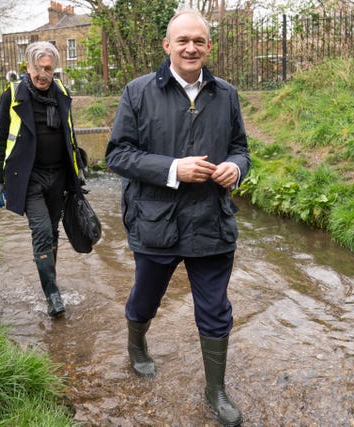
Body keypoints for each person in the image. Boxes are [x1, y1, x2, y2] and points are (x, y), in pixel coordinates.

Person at [105, 9, 250, 426]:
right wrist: (173, 170)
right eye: (182, 40)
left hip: (212, 220)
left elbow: (241, 148)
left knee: (215, 308)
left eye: (199, 41)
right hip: (156, 221)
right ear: (167, 45)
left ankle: (216, 390)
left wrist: (236, 169)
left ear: (208, 47)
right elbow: (117, 154)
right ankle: (137, 346)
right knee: (145, 298)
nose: (191, 48)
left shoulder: (226, 94)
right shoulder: (137, 92)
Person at [0, 41, 87, 318]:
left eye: (49, 68)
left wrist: (78, 169)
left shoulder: (61, 91)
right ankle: (52, 295)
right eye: (39, 68)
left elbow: (70, 134)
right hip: (28, 177)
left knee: (54, 231)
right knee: (42, 230)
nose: (43, 74)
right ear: (28, 67)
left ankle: (49, 280)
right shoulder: (13, 94)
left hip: (58, 175)